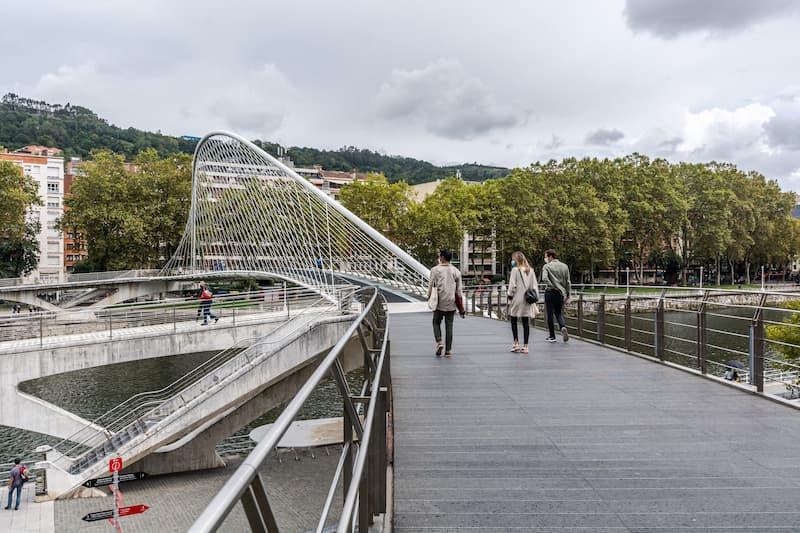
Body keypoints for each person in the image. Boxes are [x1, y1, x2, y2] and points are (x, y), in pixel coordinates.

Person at [428, 248, 462, 358]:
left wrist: (429, 297)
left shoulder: (435, 270)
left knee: (436, 322)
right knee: (449, 326)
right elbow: (459, 291)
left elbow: (431, 286)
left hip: (439, 301)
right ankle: (448, 351)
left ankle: (439, 342)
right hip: (451, 302)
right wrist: (461, 306)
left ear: (442, 257)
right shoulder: (456, 271)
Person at [507, 251, 538, 354]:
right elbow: (534, 287)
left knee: (514, 320)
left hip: (517, 299)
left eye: (513, 259)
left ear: (516, 260)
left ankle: (516, 344)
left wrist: (509, 296)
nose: (512, 261)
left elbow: (512, 286)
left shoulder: (515, 270)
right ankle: (526, 346)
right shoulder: (531, 270)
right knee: (526, 323)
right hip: (527, 300)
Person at [541, 249, 571, 343]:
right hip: (560, 293)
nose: (545, 258)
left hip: (550, 292)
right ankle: (562, 327)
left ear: (550, 256)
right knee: (558, 313)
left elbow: (544, 278)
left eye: (546, 256)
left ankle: (552, 336)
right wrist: (568, 294)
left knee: (550, 314)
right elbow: (568, 282)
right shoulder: (564, 266)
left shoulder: (546, 266)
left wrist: (551, 285)